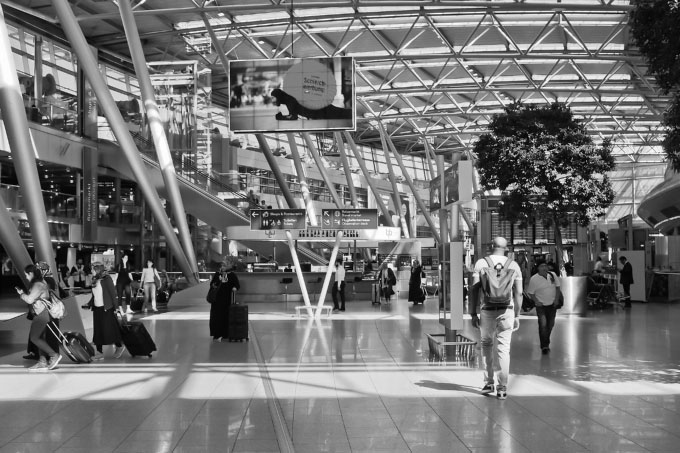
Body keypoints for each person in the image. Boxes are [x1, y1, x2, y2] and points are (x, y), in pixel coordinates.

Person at [469, 237, 523, 400]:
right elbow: (519, 293)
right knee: (503, 348)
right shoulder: (514, 265)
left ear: (491, 246)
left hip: (487, 310)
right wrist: (518, 315)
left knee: (486, 344)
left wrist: (472, 313)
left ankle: (488, 383)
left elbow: (474, 290)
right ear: (506, 249)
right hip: (507, 310)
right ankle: (502, 388)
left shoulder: (481, 263)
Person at [17, 264, 62, 372]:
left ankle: (53, 355)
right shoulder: (41, 282)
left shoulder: (38, 284)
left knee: (34, 338)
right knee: (40, 338)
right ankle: (42, 362)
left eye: (27, 275)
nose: (26, 277)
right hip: (41, 313)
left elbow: (29, 300)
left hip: (41, 314)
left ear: (31, 273)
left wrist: (21, 294)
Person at [89, 263, 125, 360]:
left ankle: (119, 346)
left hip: (107, 308)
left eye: (93, 269)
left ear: (98, 270)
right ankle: (99, 352)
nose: (91, 271)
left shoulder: (107, 279)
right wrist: (89, 303)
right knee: (98, 331)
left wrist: (116, 308)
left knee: (110, 330)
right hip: (97, 309)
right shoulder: (94, 280)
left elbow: (113, 294)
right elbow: (95, 295)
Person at [526, 260, 562, 354]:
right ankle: (544, 346)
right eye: (542, 266)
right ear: (538, 268)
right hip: (541, 306)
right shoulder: (534, 279)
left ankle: (546, 340)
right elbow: (530, 293)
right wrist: (536, 301)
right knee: (543, 325)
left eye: (545, 266)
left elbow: (558, 288)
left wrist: (556, 300)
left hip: (552, 304)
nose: (544, 268)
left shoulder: (552, 275)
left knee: (550, 324)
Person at [209, 262, 240, 341]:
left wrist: (234, 288)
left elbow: (237, 285)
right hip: (216, 300)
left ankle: (225, 334)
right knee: (215, 316)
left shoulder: (231, 275)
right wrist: (214, 285)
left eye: (224, 266)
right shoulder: (217, 274)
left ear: (228, 267)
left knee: (226, 316)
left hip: (226, 300)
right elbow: (212, 284)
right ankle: (216, 333)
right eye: (222, 266)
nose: (222, 267)